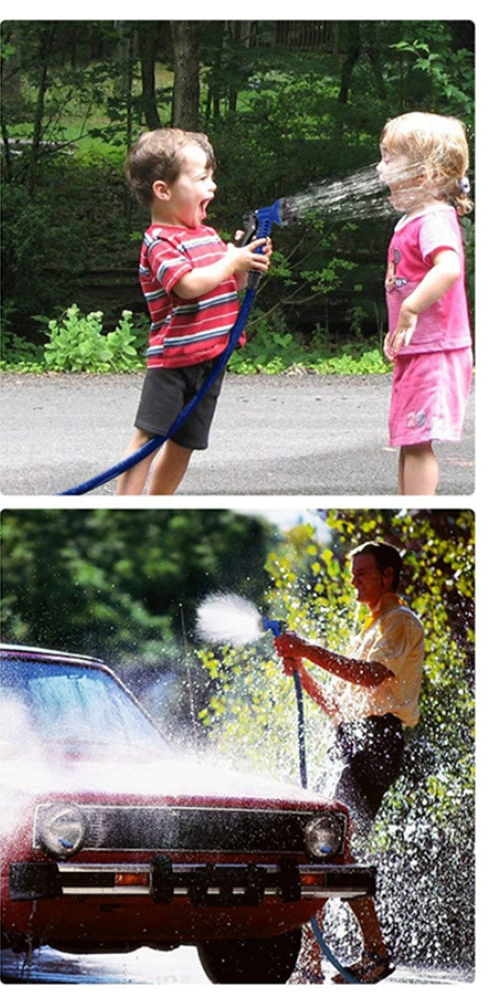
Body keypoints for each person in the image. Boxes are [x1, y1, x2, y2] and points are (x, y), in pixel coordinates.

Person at [274, 541, 424, 984]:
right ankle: (321, 959)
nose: (353, 580)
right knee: (320, 845)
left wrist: (308, 648)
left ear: (387, 576)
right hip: (354, 741)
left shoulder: (400, 621)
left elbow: (369, 676)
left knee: (327, 846)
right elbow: (339, 707)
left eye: (362, 573)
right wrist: (303, 672)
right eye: (352, 572)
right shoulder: (371, 628)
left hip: (375, 744)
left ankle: (352, 955)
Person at [116, 128, 272, 495]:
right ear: (163, 190)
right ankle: (125, 505)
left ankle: (157, 503)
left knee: (185, 443)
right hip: (174, 363)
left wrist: (244, 263)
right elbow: (187, 285)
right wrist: (230, 261)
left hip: (211, 359)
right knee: (149, 438)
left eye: (211, 177)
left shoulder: (208, 235)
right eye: (202, 178)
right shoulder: (159, 241)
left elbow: (230, 286)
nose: (212, 186)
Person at [376, 112, 473, 495]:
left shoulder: (433, 221)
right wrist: (402, 328)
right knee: (409, 439)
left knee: (418, 443)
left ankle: (418, 512)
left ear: (425, 175)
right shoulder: (414, 219)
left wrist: (411, 309)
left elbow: (448, 268)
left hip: (437, 351)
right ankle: (408, 506)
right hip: (421, 348)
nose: (380, 169)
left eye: (388, 159)